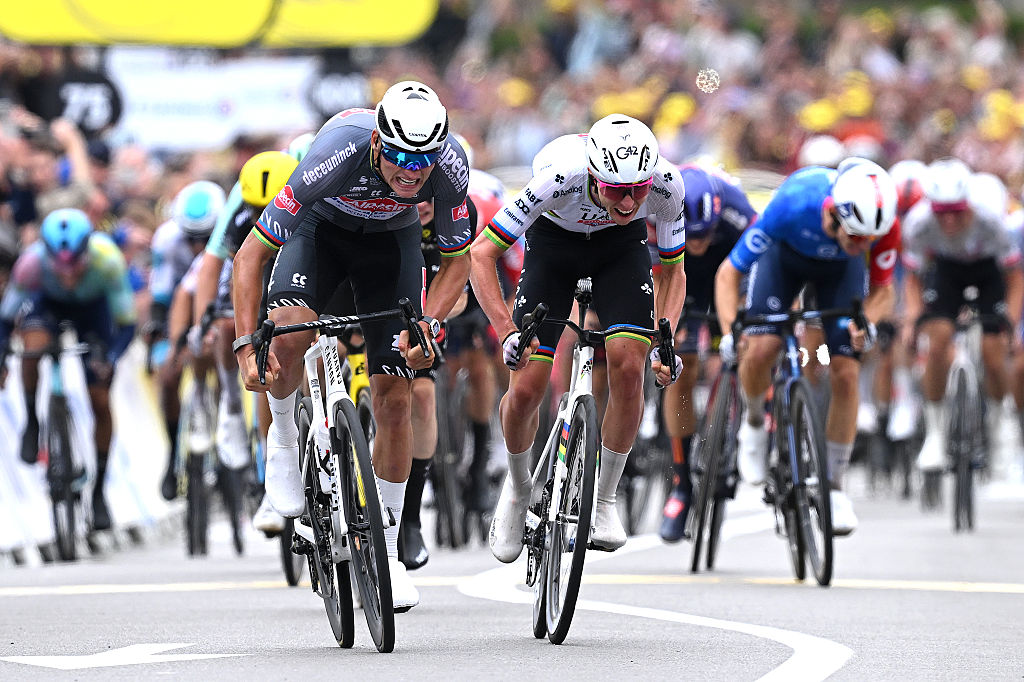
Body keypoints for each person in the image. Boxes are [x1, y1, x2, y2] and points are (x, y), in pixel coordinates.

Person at [231, 81, 472, 611]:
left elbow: (458, 261)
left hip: (391, 244)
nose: (412, 171)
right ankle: (284, 444)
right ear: (378, 145)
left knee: (396, 393)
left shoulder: (450, 167)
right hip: (319, 235)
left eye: (425, 160)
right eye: (401, 158)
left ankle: (386, 552)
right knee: (290, 332)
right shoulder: (335, 150)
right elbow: (249, 256)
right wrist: (247, 347)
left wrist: (427, 324)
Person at [470, 114, 686, 563]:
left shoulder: (666, 185)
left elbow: (673, 271)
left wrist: (665, 340)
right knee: (526, 388)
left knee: (630, 365)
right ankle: (517, 487)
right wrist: (506, 330)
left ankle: (604, 499)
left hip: (619, 250)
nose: (628, 202)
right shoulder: (558, 180)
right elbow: (481, 254)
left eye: (637, 190)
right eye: (616, 190)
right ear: (593, 176)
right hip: (554, 247)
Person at [714, 158, 900, 536]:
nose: (862, 245)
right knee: (762, 348)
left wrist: (866, 322)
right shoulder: (794, 203)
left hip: (839, 278)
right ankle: (753, 421)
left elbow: (883, 291)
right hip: (783, 263)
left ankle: (833, 486)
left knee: (847, 371)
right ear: (834, 211)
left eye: (870, 240)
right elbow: (729, 272)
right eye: (856, 236)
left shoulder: (883, 223)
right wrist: (731, 333)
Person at [0, 208, 137, 531]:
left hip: (94, 311)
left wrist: (111, 358)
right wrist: (3, 357)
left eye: (75, 264)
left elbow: (127, 325)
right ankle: (33, 422)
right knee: (31, 347)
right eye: (59, 266)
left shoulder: (108, 261)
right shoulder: (31, 265)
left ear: (87, 250)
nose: (68, 274)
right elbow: (5, 321)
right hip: (48, 305)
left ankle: (99, 491)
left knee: (100, 398)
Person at [192, 147, 302, 535]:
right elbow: (212, 266)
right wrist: (205, 323)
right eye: (255, 209)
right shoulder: (241, 211)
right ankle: (240, 418)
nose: (261, 218)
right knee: (251, 347)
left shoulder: (316, 189)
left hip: (304, 271)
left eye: (267, 208)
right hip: (259, 273)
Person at [901, 158, 1022, 474]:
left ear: (968, 202)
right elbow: (912, 278)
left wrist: (1009, 319)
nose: (950, 220)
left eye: (957, 211)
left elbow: (1014, 276)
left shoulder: (991, 221)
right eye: (942, 213)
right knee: (938, 340)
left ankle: (998, 422)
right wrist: (914, 317)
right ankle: (936, 433)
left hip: (988, 274)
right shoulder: (919, 223)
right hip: (946, 272)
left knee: (994, 355)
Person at [658, 163, 758, 542]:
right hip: (677, 270)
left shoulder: (738, 210)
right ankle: (681, 484)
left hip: (729, 272)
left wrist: (742, 320)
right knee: (681, 362)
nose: (699, 241)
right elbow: (654, 275)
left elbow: (759, 266)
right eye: (693, 235)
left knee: (736, 347)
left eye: (706, 233)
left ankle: (735, 419)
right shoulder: (659, 205)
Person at [150, 180, 227, 500]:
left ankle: (228, 434)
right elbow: (163, 296)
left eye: (205, 238)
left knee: (226, 352)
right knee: (167, 376)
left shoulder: (232, 235)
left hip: (220, 304)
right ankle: (171, 454)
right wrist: (165, 337)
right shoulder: (167, 241)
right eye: (191, 239)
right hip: (178, 310)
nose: (198, 247)